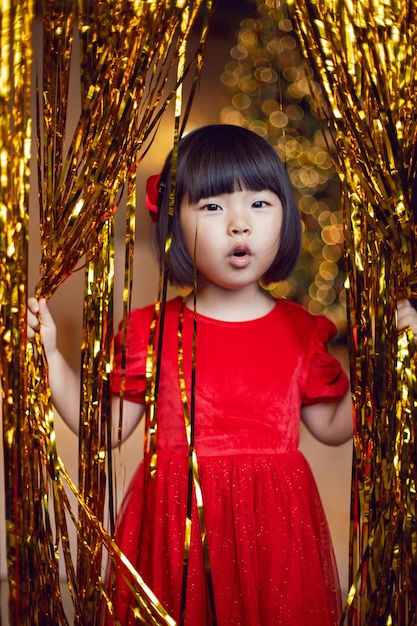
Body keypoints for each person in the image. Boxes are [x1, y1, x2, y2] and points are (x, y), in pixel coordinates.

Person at [27, 124, 417, 626]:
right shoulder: (152, 329)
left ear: (286, 218)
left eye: (260, 204)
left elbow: (333, 428)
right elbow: (102, 428)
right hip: (175, 532)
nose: (240, 225)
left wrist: (390, 368)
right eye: (212, 207)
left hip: (275, 532)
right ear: (174, 223)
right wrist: (54, 356)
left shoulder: (303, 330)